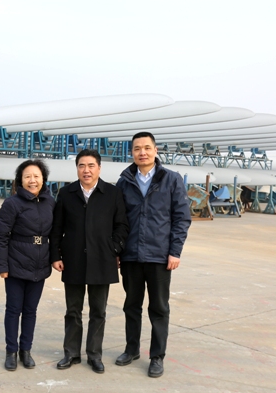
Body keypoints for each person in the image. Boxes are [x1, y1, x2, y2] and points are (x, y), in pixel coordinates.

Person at [115, 131, 191, 378]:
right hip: (131, 256)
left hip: (159, 256)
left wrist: (174, 251)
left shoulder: (171, 179)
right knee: (131, 306)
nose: (142, 153)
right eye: (137, 148)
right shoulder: (124, 181)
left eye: (147, 148)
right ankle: (131, 350)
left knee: (158, 308)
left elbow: (181, 218)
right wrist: (118, 249)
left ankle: (157, 356)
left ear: (156, 151)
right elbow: (117, 220)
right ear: (132, 152)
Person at [50, 149, 129, 374]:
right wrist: (55, 255)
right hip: (73, 259)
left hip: (102, 259)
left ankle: (94, 354)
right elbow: (57, 227)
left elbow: (122, 225)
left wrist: (114, 248)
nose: (86, 170)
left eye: (91, 165)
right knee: (73, 310)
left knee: (98, 311)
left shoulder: (112, 193)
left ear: (99, 168)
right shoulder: (66, 193)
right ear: (77, 168)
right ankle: (71, 353)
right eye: (82, 166)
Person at [0, 159, 55, 371]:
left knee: (31, 310)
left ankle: (25, 350)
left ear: (43, 179)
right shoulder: (12, 204)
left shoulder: (50, 202)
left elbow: (56, 233)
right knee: (13, 309)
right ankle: (11, 351)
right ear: (20, 180)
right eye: (27, 176)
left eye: (36, 176)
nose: (32, 180)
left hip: (40, 264)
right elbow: (0, 236)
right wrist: (1, 266)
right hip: (16, 264)